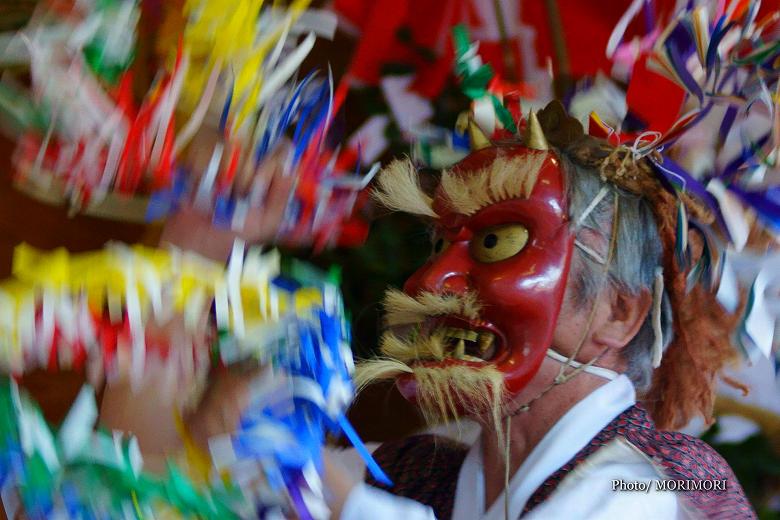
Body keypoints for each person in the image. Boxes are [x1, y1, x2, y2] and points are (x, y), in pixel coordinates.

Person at [101, 103, 757, 519]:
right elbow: (132, 483)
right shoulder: (426, 473)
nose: (434, 279)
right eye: (441, 244)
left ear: (619, 311)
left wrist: (329, 495)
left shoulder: (666, 486)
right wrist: (195, 245)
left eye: (497, 242)